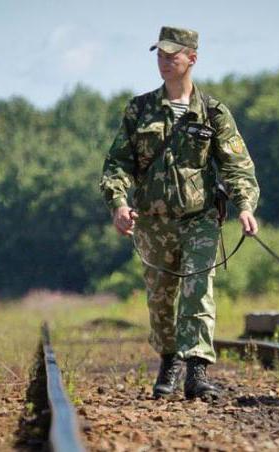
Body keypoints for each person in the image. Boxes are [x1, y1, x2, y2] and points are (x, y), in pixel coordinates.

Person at [99, 26, 260, 400]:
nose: (165, 61)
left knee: (197, 290)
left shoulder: (213, 112)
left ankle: (197, 370)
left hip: (199, 218)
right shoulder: (139, 110)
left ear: (192, 59)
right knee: (160, 298)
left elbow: (238, 166)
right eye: (160, 54)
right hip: (152, 223)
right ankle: (169, 358)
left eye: (173, 55)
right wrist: (119, 203)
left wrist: (245, 206)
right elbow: (117, 164)